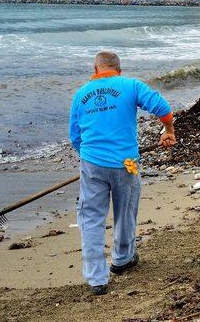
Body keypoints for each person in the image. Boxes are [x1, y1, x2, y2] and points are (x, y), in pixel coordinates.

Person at [69, 51, 176, 295]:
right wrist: (168, 130)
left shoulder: (80, 94)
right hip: (126, 162)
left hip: (93, 164)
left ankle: (97, 279)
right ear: (119, 69)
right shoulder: (131, 85)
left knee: (91, 218)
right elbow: (163, 109)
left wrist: (90, 157)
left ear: (95, 70)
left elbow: (75, 136)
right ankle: (122, 258)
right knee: (126, 210)